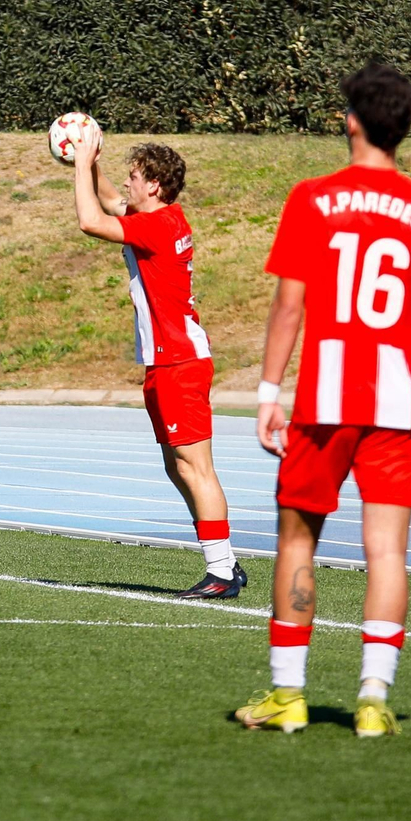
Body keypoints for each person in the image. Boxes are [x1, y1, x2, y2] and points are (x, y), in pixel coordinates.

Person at [238, 63, 411, 738]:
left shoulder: (313, 197)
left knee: (297, 537)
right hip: (398, 399)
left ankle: (289, 695)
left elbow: (288, 305)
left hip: (326, 396)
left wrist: (267, 393)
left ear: (352, 120)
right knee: (387, 550)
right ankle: (372, 700)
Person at [71, 131, 244, 599]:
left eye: (133, 177)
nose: (126, 184)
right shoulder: (158, 216)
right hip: (167, 361)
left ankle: (223, 572)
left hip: (180, 362)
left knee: (196, 469)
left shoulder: (157, 226)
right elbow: (108, 199)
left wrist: (79, 161)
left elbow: (91, 219)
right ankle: (223, 560)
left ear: (153, 185)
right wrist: (89, 164)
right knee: (177, 466)